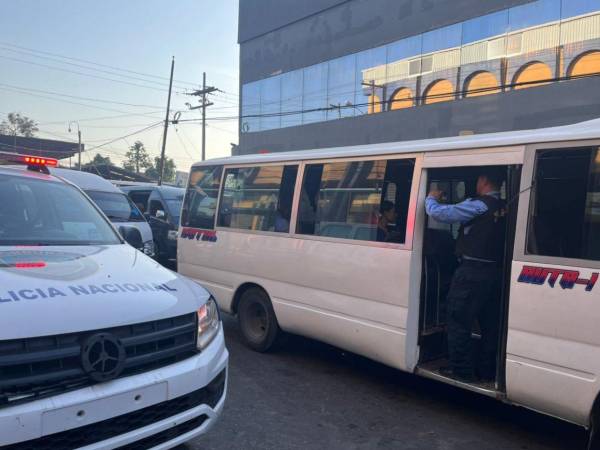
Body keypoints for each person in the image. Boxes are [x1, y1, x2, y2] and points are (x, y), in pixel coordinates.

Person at [425, 170, 506, 383]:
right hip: (496, 273)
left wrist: (431, 198)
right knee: (490, 324)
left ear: (484, 180)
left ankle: (461, 371)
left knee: (458, 319)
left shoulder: (480, 205)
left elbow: (441, 214)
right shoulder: (505, 206)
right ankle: (487, 371)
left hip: (471, 273)